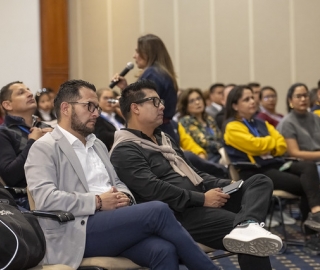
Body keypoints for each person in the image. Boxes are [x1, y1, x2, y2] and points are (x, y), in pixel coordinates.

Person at [24, 79, 219, 270]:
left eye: (97, 108)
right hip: (75, 229)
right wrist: (98, 201)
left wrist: (125, 197)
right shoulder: (45, 147)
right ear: (66, 108)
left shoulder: (97, 144)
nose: (96, 113)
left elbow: (117, 181)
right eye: (90, 106)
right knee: (157, 210)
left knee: (163, 250)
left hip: (113, 221)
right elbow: (45, 198)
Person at [110, 79, 283, 270]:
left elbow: (194, 173)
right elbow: (153, 190)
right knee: (248, 235)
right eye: (155, 102)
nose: (162, 106)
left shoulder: (162, 138)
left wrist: (224, 184)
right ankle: (245, 227)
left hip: (202, 197)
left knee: (258, 181)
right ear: (135, 108)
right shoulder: (125, 149)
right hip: (179, 214)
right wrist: (202, 199)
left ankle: (247, 223)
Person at [223, 85, 320, 234]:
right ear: (235, 105)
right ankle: (313, 230)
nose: (253, 101)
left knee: (308, 167)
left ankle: (315, 213)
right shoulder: (232, 127)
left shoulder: (261, 123)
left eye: (253, 98)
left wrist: (268, 145)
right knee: (308, 184)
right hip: (255, 171)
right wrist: (270, 143)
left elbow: (281, 144)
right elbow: (256, 145)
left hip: (274, 164)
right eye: (247, 99)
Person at [111, 34, 179, 143]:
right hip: (163, 130)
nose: (134, 56)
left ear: (148, 53)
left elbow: (145, 107)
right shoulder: (160, 72)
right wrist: (125, 88)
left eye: (138, 52)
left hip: (153, 132)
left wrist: (123, 102)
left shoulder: (152, 74)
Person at [0, 81, 52, 209]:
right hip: (28, 200)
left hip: (60, 190)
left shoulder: (46, 128)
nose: (29, 94)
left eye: (28, 90)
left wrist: (60, 139)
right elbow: (11, 175)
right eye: (21, 93)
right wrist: (33, 143)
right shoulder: (4, 133)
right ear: (7, 105)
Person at [277, 83, 320, 176]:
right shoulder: (287, 122)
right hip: (304, 165)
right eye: (299, 96)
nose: (303, 99)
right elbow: (294, 153)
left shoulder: (316, 117)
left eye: (305, 95)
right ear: (290, 100)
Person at [178, 88, 222, 163]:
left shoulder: (209, 119)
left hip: (218, 154)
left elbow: (219, 136)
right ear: (185, 106)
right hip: (204, 158)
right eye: (192, 101)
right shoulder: (185, 121)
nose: (197, 102)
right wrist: (221, 147)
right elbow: (203, 142)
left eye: (199, 98)